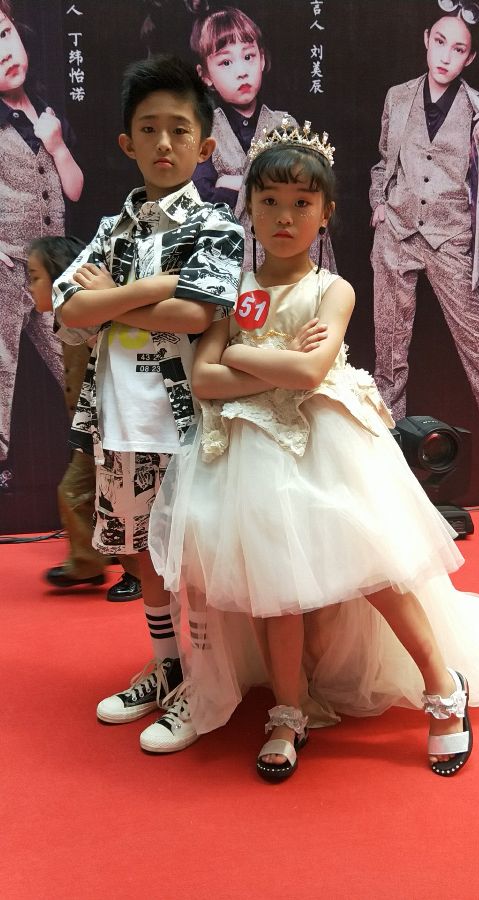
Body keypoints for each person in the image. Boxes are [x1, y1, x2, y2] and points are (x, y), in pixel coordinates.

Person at [149, 120, 479, 781]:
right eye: (269, 201)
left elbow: (311, 374)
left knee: (376, 569)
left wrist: (245, 359)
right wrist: (273, 362)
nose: (284, 217)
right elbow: (203, 380)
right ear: (249, 207)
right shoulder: (234, 291)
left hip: (325, 443)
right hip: (250, 454)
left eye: (301, 203)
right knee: (273, 589)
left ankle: (443, 685)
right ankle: (289, 709)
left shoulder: (332, 289)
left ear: (326, 211)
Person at [52, 55, 244, 747]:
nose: (164, 143)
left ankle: (207, 681)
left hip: (190, 423)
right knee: (145, 555)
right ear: (127, 143)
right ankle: (167, 666)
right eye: (149, 129)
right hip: (121, 420)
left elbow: (197, 314)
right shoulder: (112, 227)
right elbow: (67, 306)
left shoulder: (217, 226)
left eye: (179, 129)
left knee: (195, 558)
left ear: (205, 144)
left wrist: (111, 298)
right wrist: (154, 287)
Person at [370, 3, 479, 452]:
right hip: (397, 231)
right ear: (427, 39)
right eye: (441, 42)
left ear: (470, 58)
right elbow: (383, 162)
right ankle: (387, 443)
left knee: (477, 346)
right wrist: (378, 205)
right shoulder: (398, 96)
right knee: (390, 347)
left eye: (459, 49)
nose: (446, 55)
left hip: (449, 237)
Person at [27, 236, 142, 601]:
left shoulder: (87, 320)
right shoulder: (67, 320)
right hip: (92, 427)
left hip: (110, 425)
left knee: (103, 494)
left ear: (60, 276)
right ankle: (93, 562)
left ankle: (127, 570)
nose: (29, 287)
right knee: (98, 494)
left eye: (34, 277)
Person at [0, 0, 83, 482]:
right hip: (7, 269)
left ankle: (102, 455)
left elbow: (74, 190)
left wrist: (56, 145)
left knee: (74, 358)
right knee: (1, 367)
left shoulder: (48, 112)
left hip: (50, 270)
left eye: (4, 34)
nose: (4, 52)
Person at [189, 3, 336, 273]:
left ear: (263, 59)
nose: (241, 71)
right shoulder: (204, 132)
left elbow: (302, 195)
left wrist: (234, 182)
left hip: (284, 257)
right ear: (205, 76)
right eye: (226, 62)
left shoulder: (285, 125)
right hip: (231, 266)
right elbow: (202, 202)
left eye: (249, 56)